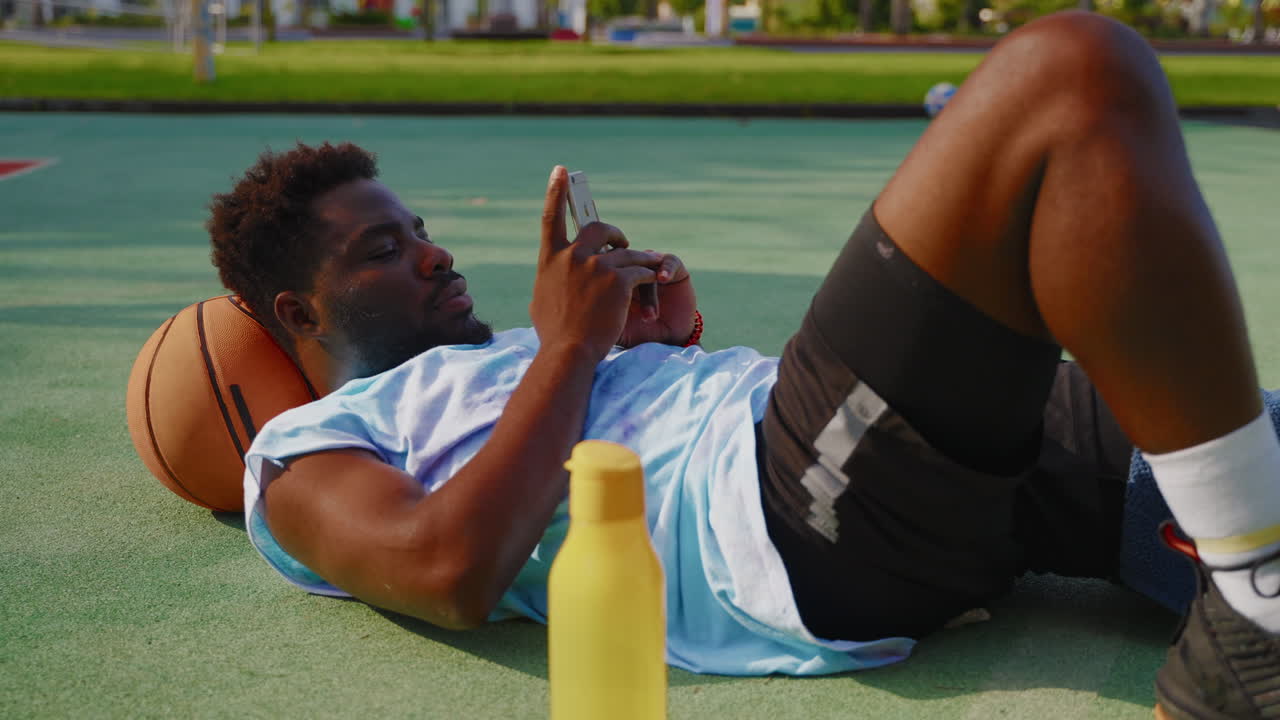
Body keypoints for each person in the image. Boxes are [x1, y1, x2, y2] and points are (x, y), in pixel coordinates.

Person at [208, 11, 1280, 718]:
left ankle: (1246, 582)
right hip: (785, 517)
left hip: (824, 451)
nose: (432, 252)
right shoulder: (300, 454)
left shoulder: (517, 357)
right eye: (384, 252)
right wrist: (576, 345)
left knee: (1236, 455)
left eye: (422, 228)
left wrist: (647, 350)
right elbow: (445, 569)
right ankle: (1248, 624)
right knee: (1070, 74)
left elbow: (587, 436)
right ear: (302, 312)